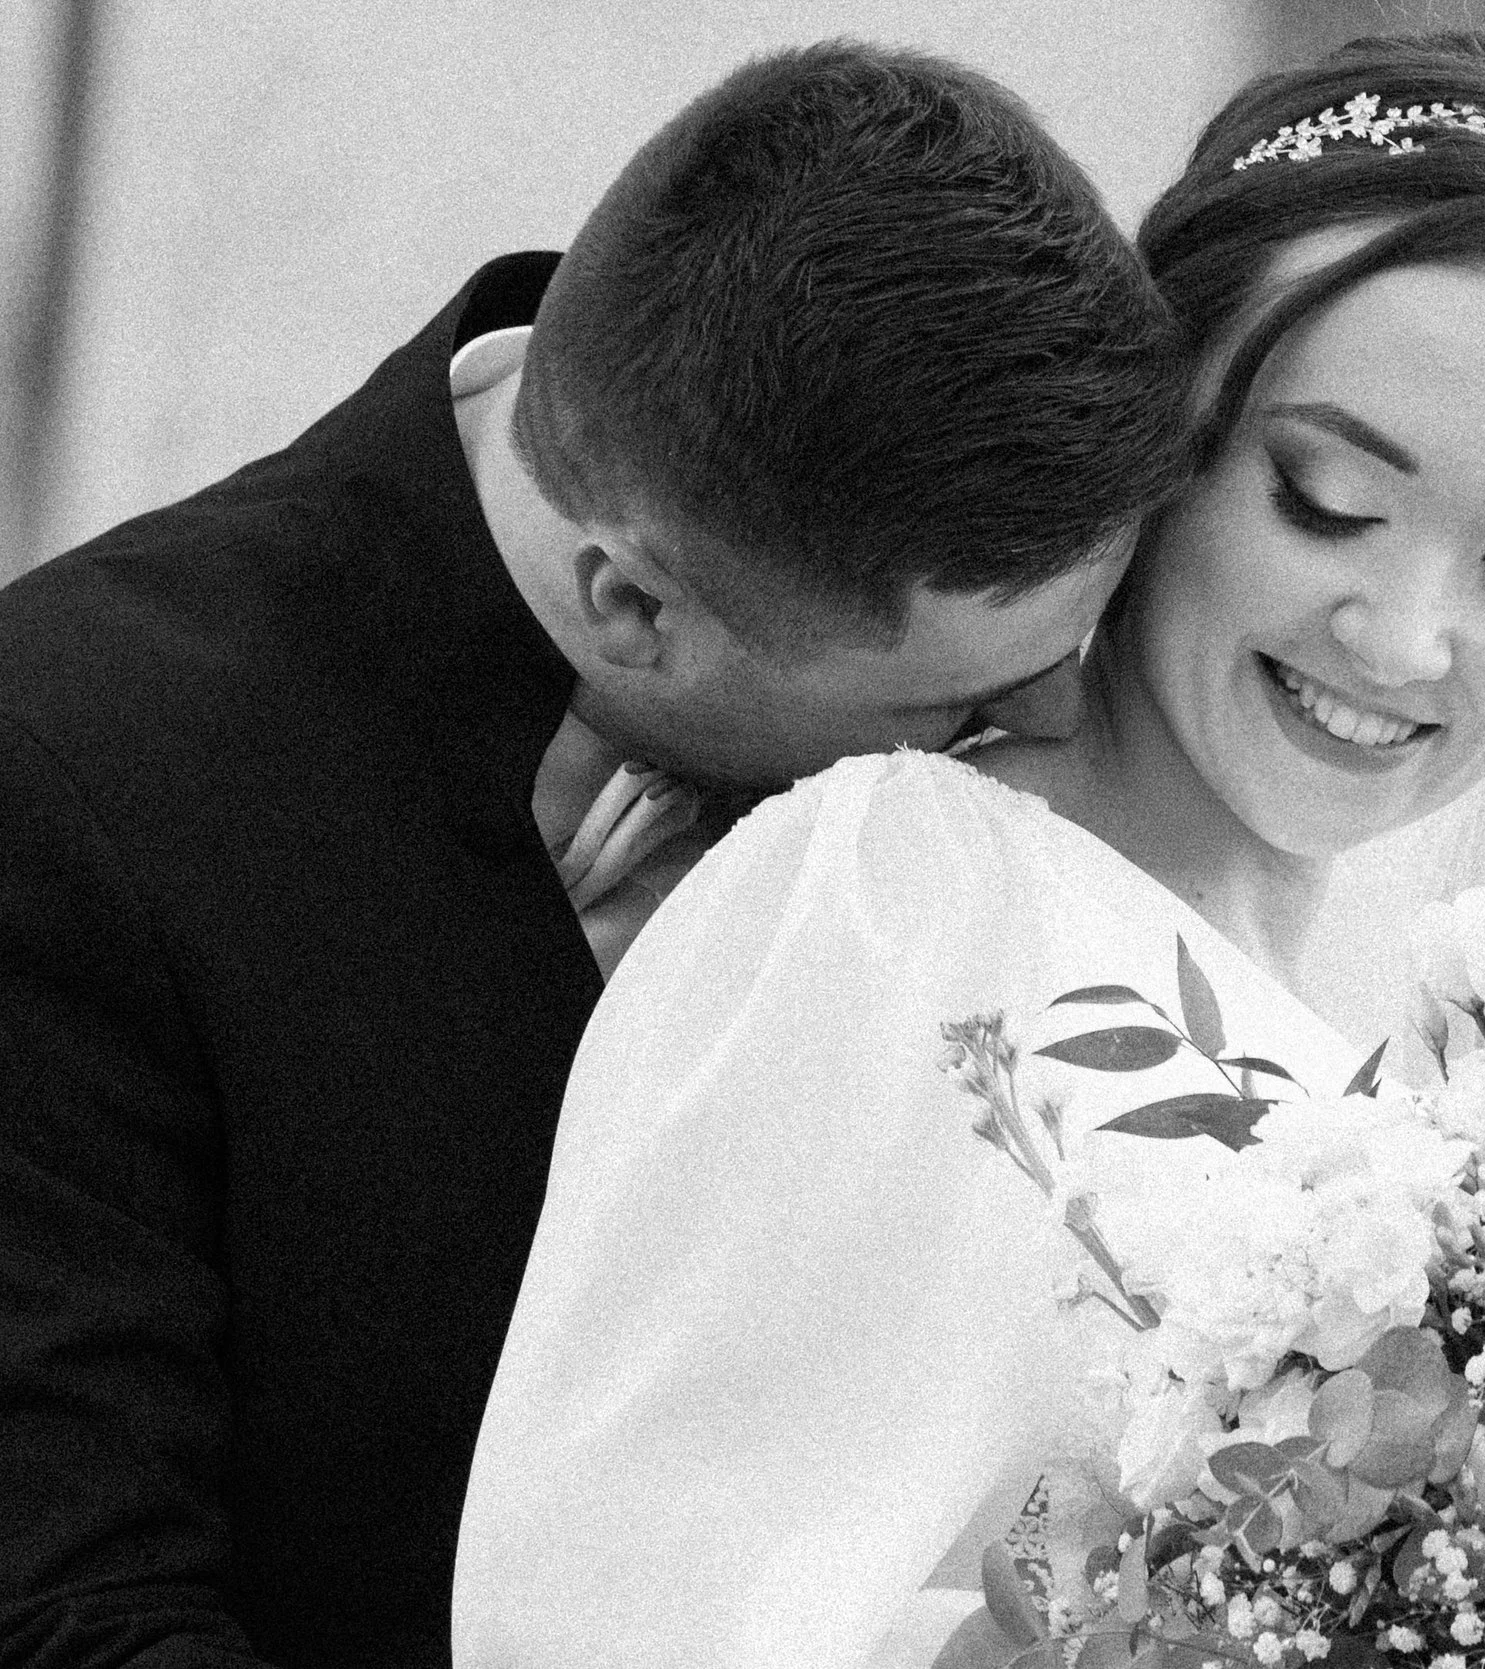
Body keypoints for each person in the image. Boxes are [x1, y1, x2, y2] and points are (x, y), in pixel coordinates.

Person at [452, 29, 1485, 1669]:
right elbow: (593, 1610)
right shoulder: (882, 902)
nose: (1409, 639)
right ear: (1166, 434)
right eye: (1325, 500)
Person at [0, 42, 1187, 1669]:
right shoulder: (70, 784)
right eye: (957, 699)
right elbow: (76, 1614)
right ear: (631, 603)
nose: (1056, 718)